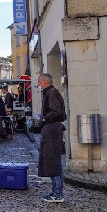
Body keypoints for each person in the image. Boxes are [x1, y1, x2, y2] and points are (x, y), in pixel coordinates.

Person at [38, 74, 67, 203]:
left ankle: (57, 192)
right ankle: (57, 191)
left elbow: (57, 112)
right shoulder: (51, 92)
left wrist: (44, 118)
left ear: (44, 82)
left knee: (52, 160)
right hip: (53, 129)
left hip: (52, 130)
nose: (38, 85)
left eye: (39, 82)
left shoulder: (51, 93)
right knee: (54, 161)